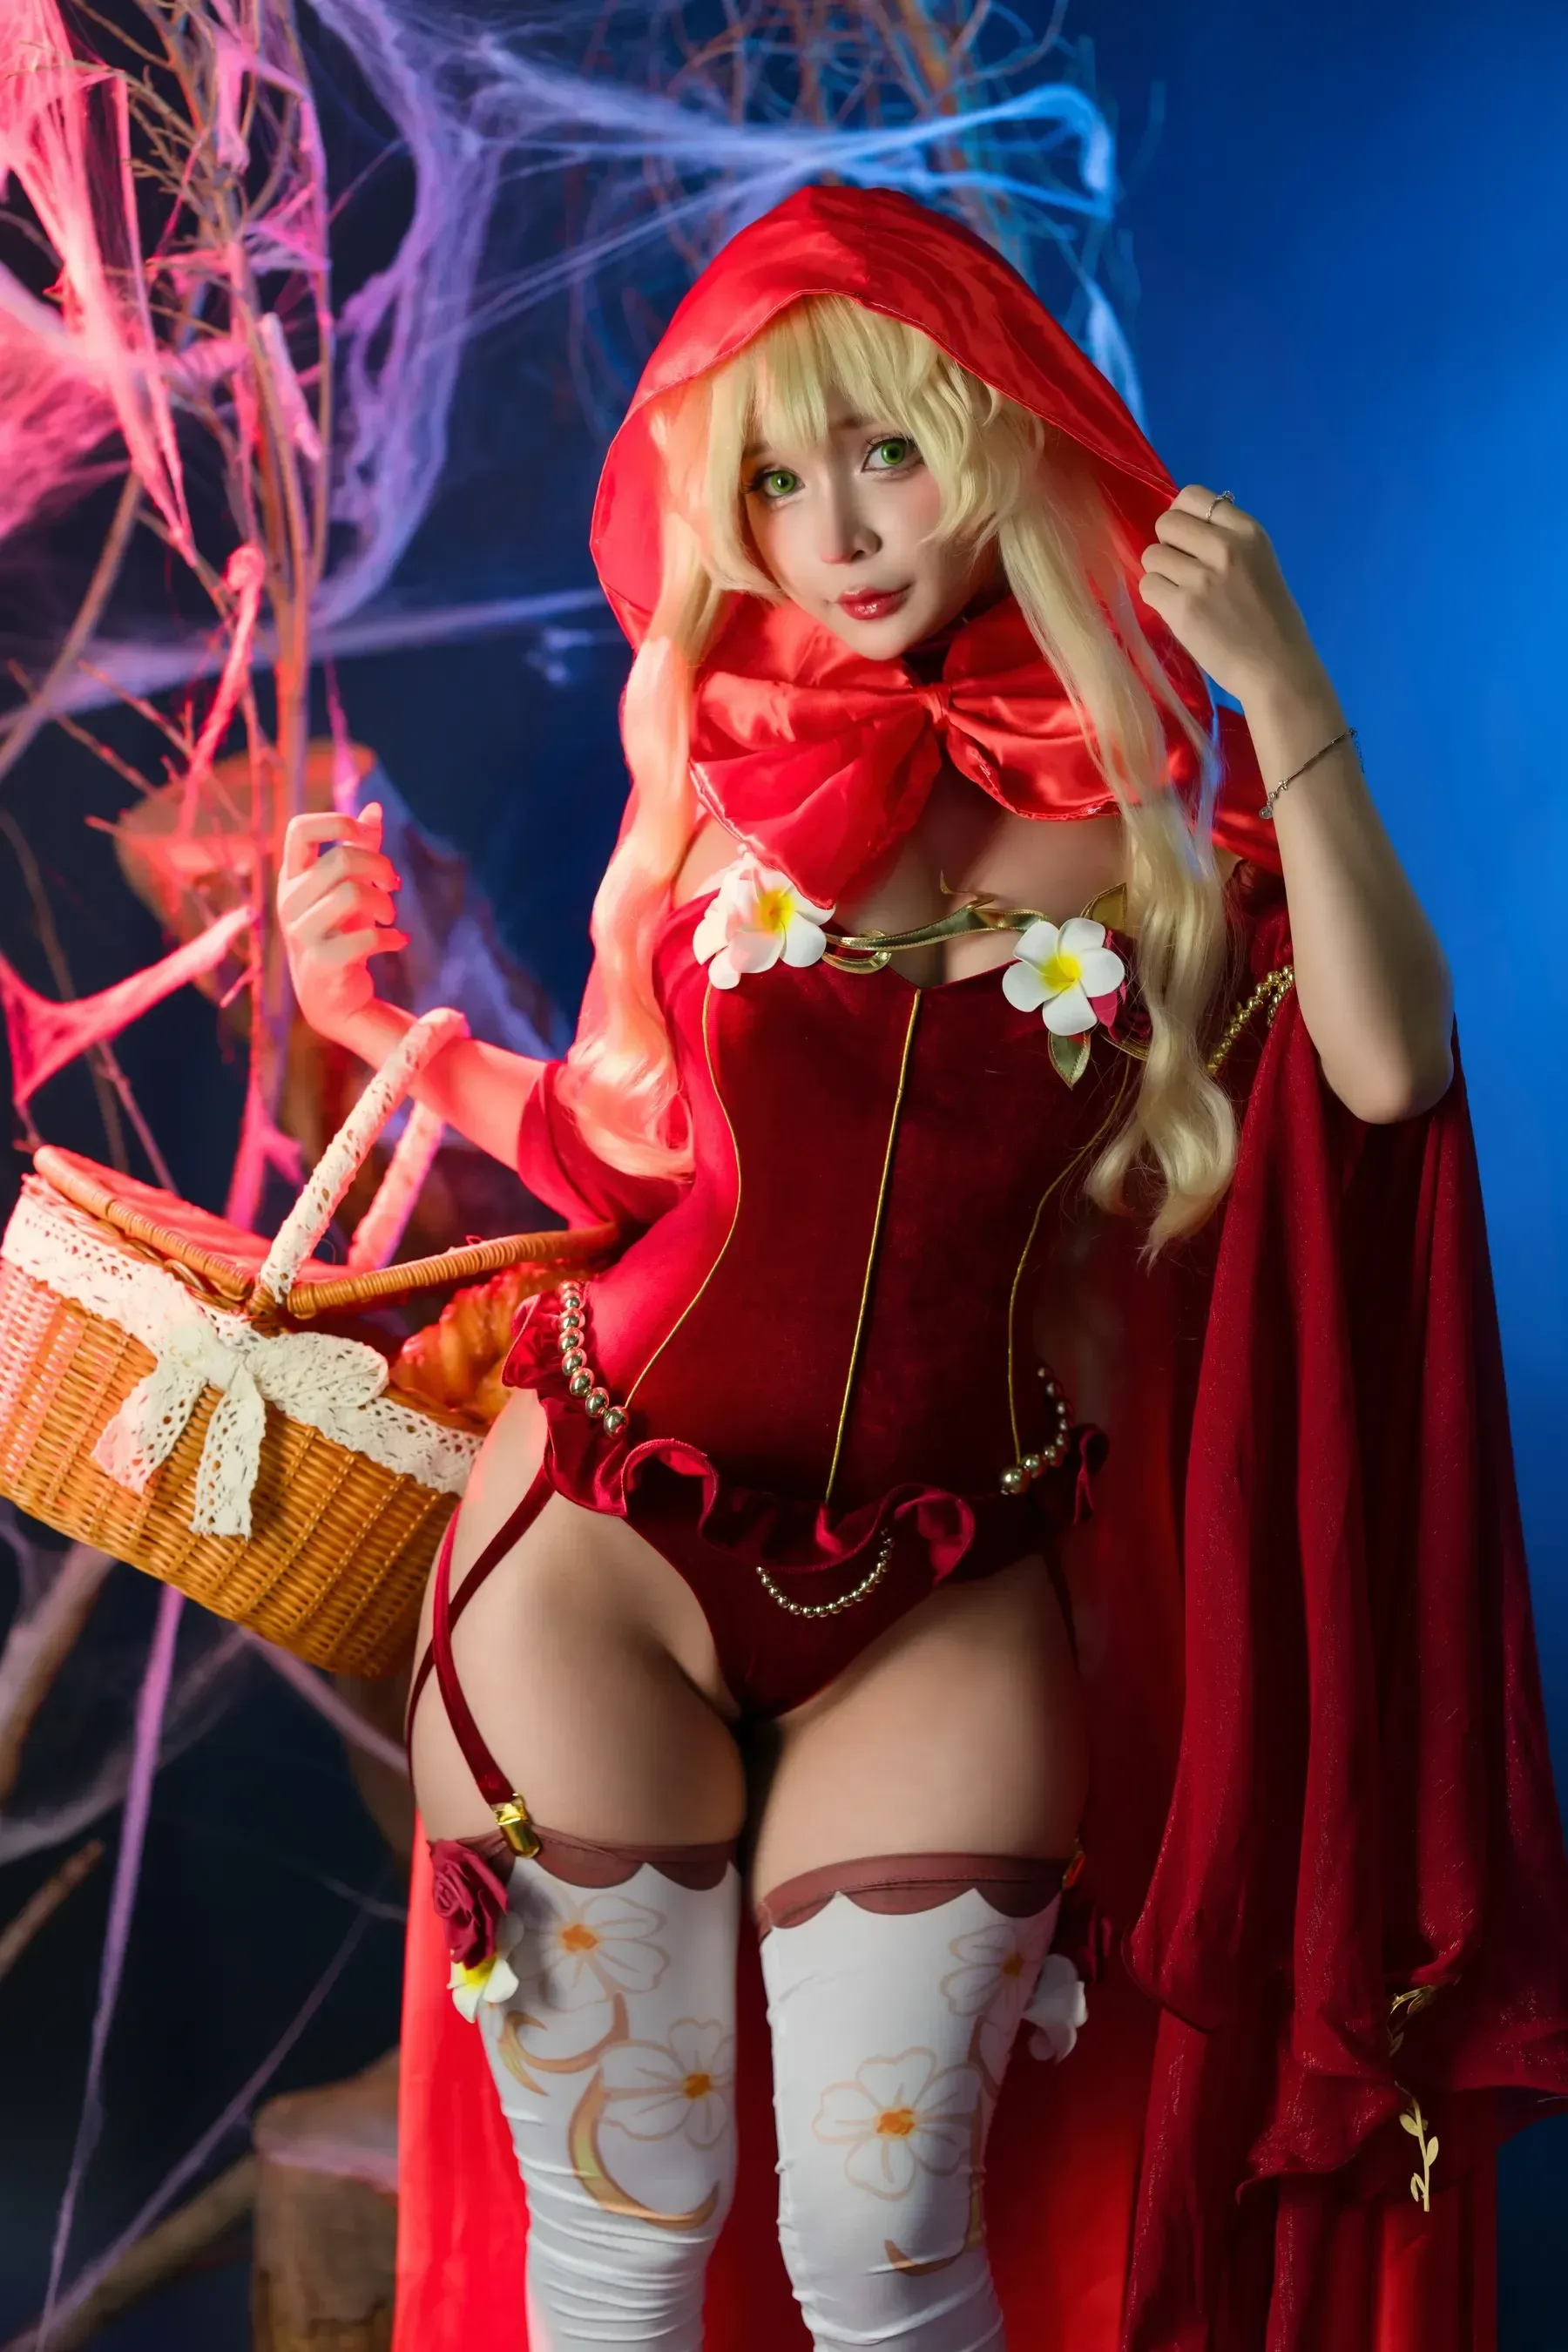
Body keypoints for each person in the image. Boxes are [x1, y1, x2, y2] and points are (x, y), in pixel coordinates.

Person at [277, 186, 1568, 2352]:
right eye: (778, 481)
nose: (841, 528)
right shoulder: (730, 780)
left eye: (887, 448)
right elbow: (632, 1147)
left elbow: (1389, 1071)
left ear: (996, 441)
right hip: (599, 1539)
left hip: (946, 1583)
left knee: (885, 2267)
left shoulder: (1167, 848)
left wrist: (1287, 694)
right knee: (623, 2251)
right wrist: (379, 1028)